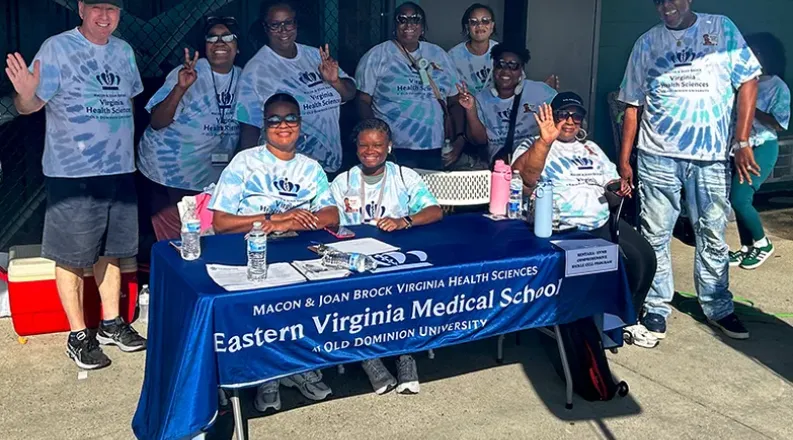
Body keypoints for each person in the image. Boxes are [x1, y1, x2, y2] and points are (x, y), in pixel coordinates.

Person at [4, 0, 146, 369]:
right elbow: (28, 106)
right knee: (71, 255)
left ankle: (113, 322)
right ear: (81, 8)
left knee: (112, 251)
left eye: (112, 8)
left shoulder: (123, 51)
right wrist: (24, 92)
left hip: (118, 170)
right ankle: (79, 335)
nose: (104, 16)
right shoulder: (57, 48)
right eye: (96, 6)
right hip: (73, 173)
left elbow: (127, 103)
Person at [618, 0, 761, 340]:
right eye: (660, 1)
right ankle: (655, 306)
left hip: (709, 156)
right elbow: (632, 105)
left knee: (712, 232)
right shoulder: (646, 43)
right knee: (655, 234)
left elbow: (749, 81)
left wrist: (741, 141)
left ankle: (718, 306)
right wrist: (625, 160)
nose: (668, 6)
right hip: (656, 156)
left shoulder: (720, 29)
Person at [209, 93, 338, 412]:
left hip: (296, 251)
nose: (283, 125)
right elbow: (221, 222)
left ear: (300, 123)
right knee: (267, 304)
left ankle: (297, 367)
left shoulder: (310, 168)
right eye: (275, 120)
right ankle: (269, 372)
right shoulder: (245, 162)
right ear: (264, 126)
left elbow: (331, 216)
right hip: (247, 252)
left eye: (290, 118)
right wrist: (275, 219)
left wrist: (297, 221)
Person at [513, 94, 659, 348]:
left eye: (576, 116)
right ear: (552, 116)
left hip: (602, 219)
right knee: (606, 262)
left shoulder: (591, 148)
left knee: (644, 257)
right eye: (563, 114)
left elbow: (610, 183)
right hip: (563, 227)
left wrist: (617, 189)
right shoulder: (533, 144)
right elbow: (526, 179)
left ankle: (626, 319)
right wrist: (544, 142)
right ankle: (587, 329)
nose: (569, 121)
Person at [329, 118, 441, 393]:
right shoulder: (343, 181)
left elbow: (435, 211)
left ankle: (405, 356)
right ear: (355, 148)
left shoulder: (404, 176)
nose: (371, 150)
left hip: (395, 257)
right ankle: (369, 358)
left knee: (403, 292)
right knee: (352, 297)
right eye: (364, 145)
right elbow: (329, 220)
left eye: (378, 145)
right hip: (354, 258)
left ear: (389, 147)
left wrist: (405, 220)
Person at [137, 16, 242, 241]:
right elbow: (157, 122)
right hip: (169, 173)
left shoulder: (245, 77)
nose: (220, 42)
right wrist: (180, 88)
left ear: (238, 46)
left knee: (206, 241)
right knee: (176, 245)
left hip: (211, 177)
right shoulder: (187, 72)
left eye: (227, 37)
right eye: (212, 37)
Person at [235, 1, 355, 174]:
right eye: (275, 25)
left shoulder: (315, 55)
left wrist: (335, 81)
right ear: (265, 27)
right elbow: (249, 127)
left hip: (330, 164)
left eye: (288, 22)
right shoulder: (256, 70)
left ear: (296, 23)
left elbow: (350, 93)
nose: (283, 30)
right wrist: (251, 171)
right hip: (286, 170)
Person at [356, 2, 461, 170]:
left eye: (415, 19)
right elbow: (363, 101)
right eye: (402, 19)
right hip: (394, 148)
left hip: (435, 147)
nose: (409, 24)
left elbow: (455, 100)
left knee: (430, 194)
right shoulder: (377, 55)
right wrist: (376, 140)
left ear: (423, 28)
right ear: (394, 26)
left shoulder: (439, 54)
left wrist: (459, 139)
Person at [729, 32, 790, 270]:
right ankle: (746, 248)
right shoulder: (741, 83)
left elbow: (779, 123)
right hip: (738, 149)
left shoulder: (776, 85)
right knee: (738, 200)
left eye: (755, 52)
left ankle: (763, 244)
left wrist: (750, 107)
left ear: (766, 56)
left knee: (740, 198)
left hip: (762, 146)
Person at [457, 42, 557, 167]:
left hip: (534, 163)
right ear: (493, 67)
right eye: (501, 64)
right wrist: (470, 109)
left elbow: (566, 113)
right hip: (499, 166)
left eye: (513, 66)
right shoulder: (481, 98)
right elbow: (479, 140)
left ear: (521, 70)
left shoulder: (540, 91)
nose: (506, 71)